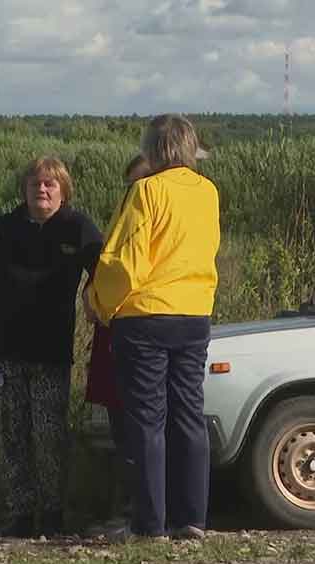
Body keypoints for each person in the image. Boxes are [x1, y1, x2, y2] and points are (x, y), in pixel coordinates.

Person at [86, 114, 220, 541]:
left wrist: (97, 302)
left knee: (147, 420)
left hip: (145, 316)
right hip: (194, 312)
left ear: (152, 150)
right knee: (188, 416)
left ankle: (149, 523)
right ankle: (192, 517)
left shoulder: (146, 191)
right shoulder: (208, 192)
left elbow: (127, 259)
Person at [0, 157, 103, 538]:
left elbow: (105, 272)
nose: (41, 190)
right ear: (24, 190)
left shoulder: (78, 228)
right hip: (3, 351)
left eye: (50, 185)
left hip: (50, 352)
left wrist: (98, 303)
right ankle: (20, 514)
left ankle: (54, 514)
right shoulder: (4, 229)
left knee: (49, 435)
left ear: (63, 191)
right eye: (35, 185)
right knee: (12, 435)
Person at [82, 154, 150, 534]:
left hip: (140, 329)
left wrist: (98, 299)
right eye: (131, 184)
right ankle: (126, 507)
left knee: (144, 425)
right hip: (113, 331)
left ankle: (141, 511)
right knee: (121, 427)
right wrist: (90, 297)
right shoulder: (124, 222)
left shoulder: (156, 221)